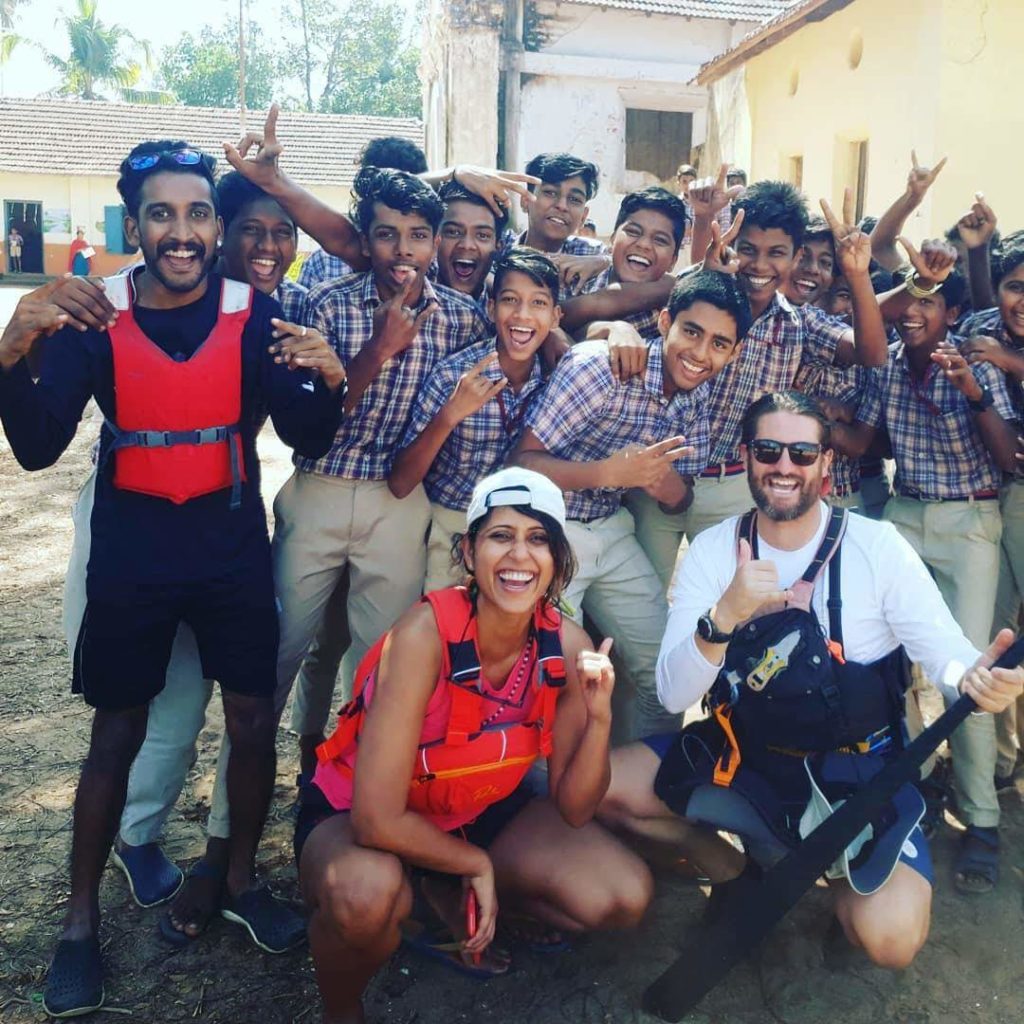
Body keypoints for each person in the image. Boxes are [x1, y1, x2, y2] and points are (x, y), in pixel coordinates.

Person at [0, 141, 347, 1017]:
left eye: (198, 215)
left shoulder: (253, 312)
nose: (182, 233)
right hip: (134, 545)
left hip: (227, 542)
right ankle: (79, 923)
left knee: (252, 718)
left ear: (216, 226)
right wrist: (11, 350)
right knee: (115, 731)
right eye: (162, 214)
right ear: (137, 224)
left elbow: (309, 435)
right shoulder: (94, 315)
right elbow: (39, 447)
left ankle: (235, 877)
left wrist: (332, 378)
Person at [598, 391, 1024, 970]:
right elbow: (675, 694)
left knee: (890, 939)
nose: (784, 467)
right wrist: (722, 617)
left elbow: (947, 655)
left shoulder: (877, 548)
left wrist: (976, 680)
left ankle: (844, 895)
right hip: (745, 758)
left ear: (827, 464)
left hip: (856, 770)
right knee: (601, 788)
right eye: (769, 450)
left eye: (802, 453)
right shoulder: (713, 551)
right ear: (747, 456)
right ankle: (735, 873)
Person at [297, 467, 652, 1024]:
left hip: (471, 810)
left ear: (559, 558)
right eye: (500, 536)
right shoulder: (423, 636)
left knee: (620, 896)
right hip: (360, 819)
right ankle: (343, 1010)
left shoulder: (568, 643)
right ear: (468, 550)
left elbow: (576, 809)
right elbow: (374, 819)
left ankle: (440, 901)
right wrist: (475, 862)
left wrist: (599, 716)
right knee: (365, 897)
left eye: (538, 539)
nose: (519, 556)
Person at [277, 166, 492, 791]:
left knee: (382, 661)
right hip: (318, 487)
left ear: (435, 242)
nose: (404, 251)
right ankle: (245, 810)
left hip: (399, 501)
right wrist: (375, 350)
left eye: (419, 235)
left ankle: (353, 792)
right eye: (387, 235)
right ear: (362, 240)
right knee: (282, 651)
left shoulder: (462, 319)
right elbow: (309, 427)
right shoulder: (327, 307)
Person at [832, 267, 1020, 895]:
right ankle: (902, 790)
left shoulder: (974, 364)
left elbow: (1003, 457)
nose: (914, 313)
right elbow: (863, 440)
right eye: (907, 301)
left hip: (969, 517)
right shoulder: (884, 368)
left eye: (930, 303)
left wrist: (972, 393)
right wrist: (814, 416)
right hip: (905, 512)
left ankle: (983, 820)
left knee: (970, 670)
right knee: (883, 658)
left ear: (952, 312)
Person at [512, 271, 751, 738]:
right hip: (551, 531)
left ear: (735, 352)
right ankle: (544, 795)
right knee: (553, 676)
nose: (701, 354)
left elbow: (680, 499)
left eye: (719, 344)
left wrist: (665, 486)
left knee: (665, 668)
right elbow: (520, 462)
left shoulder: (699, 392)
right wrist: (608, 473)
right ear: (665, 322)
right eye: (692, 332)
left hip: (611, 529)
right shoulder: (600, 368)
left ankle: (629, 782)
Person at [628, 181, 889, 590]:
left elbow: (872, 353)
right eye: (748, 249)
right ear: (731, 243)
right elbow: (626, 322)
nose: (759, 265)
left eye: (776, 253)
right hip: (658, 478)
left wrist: (856, 272)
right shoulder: (696, 301)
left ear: (797, 256)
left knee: (738, 608)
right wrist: (612, 331)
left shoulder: (798, 322)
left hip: (734, 487)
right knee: (645, 606)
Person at [390, 248, 558, 590]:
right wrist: (450, 415)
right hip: (451, 525)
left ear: (556, 317)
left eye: (538, 303)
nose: (523, 315)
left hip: (522, 534)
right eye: (510, 300)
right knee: (445, 632)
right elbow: (400, 482)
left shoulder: (558, 379)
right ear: (492, 307)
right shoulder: (454, 375)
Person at [959, 232, 1024, 790]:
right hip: (1003, 500)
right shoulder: (986, 331)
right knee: (1000, 638)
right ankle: (1001, 764)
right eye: (1015, 287)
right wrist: (978, 251)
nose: (1023, 301)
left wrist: (1008, 361)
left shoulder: (1001, 347)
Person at [558, 186, 686, 340]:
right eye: (633, 232)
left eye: (660, 240)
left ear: (673, 261)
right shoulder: (570, 283)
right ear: (612, 240)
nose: (644, 244)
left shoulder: (674, 317)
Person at [516, 152, 606, 256]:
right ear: (525, 200)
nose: (562, 206)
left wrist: (602, 262)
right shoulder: (498, 250)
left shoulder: (593, 255)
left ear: (583, 217)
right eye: (550, 193)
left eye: (574, 199)